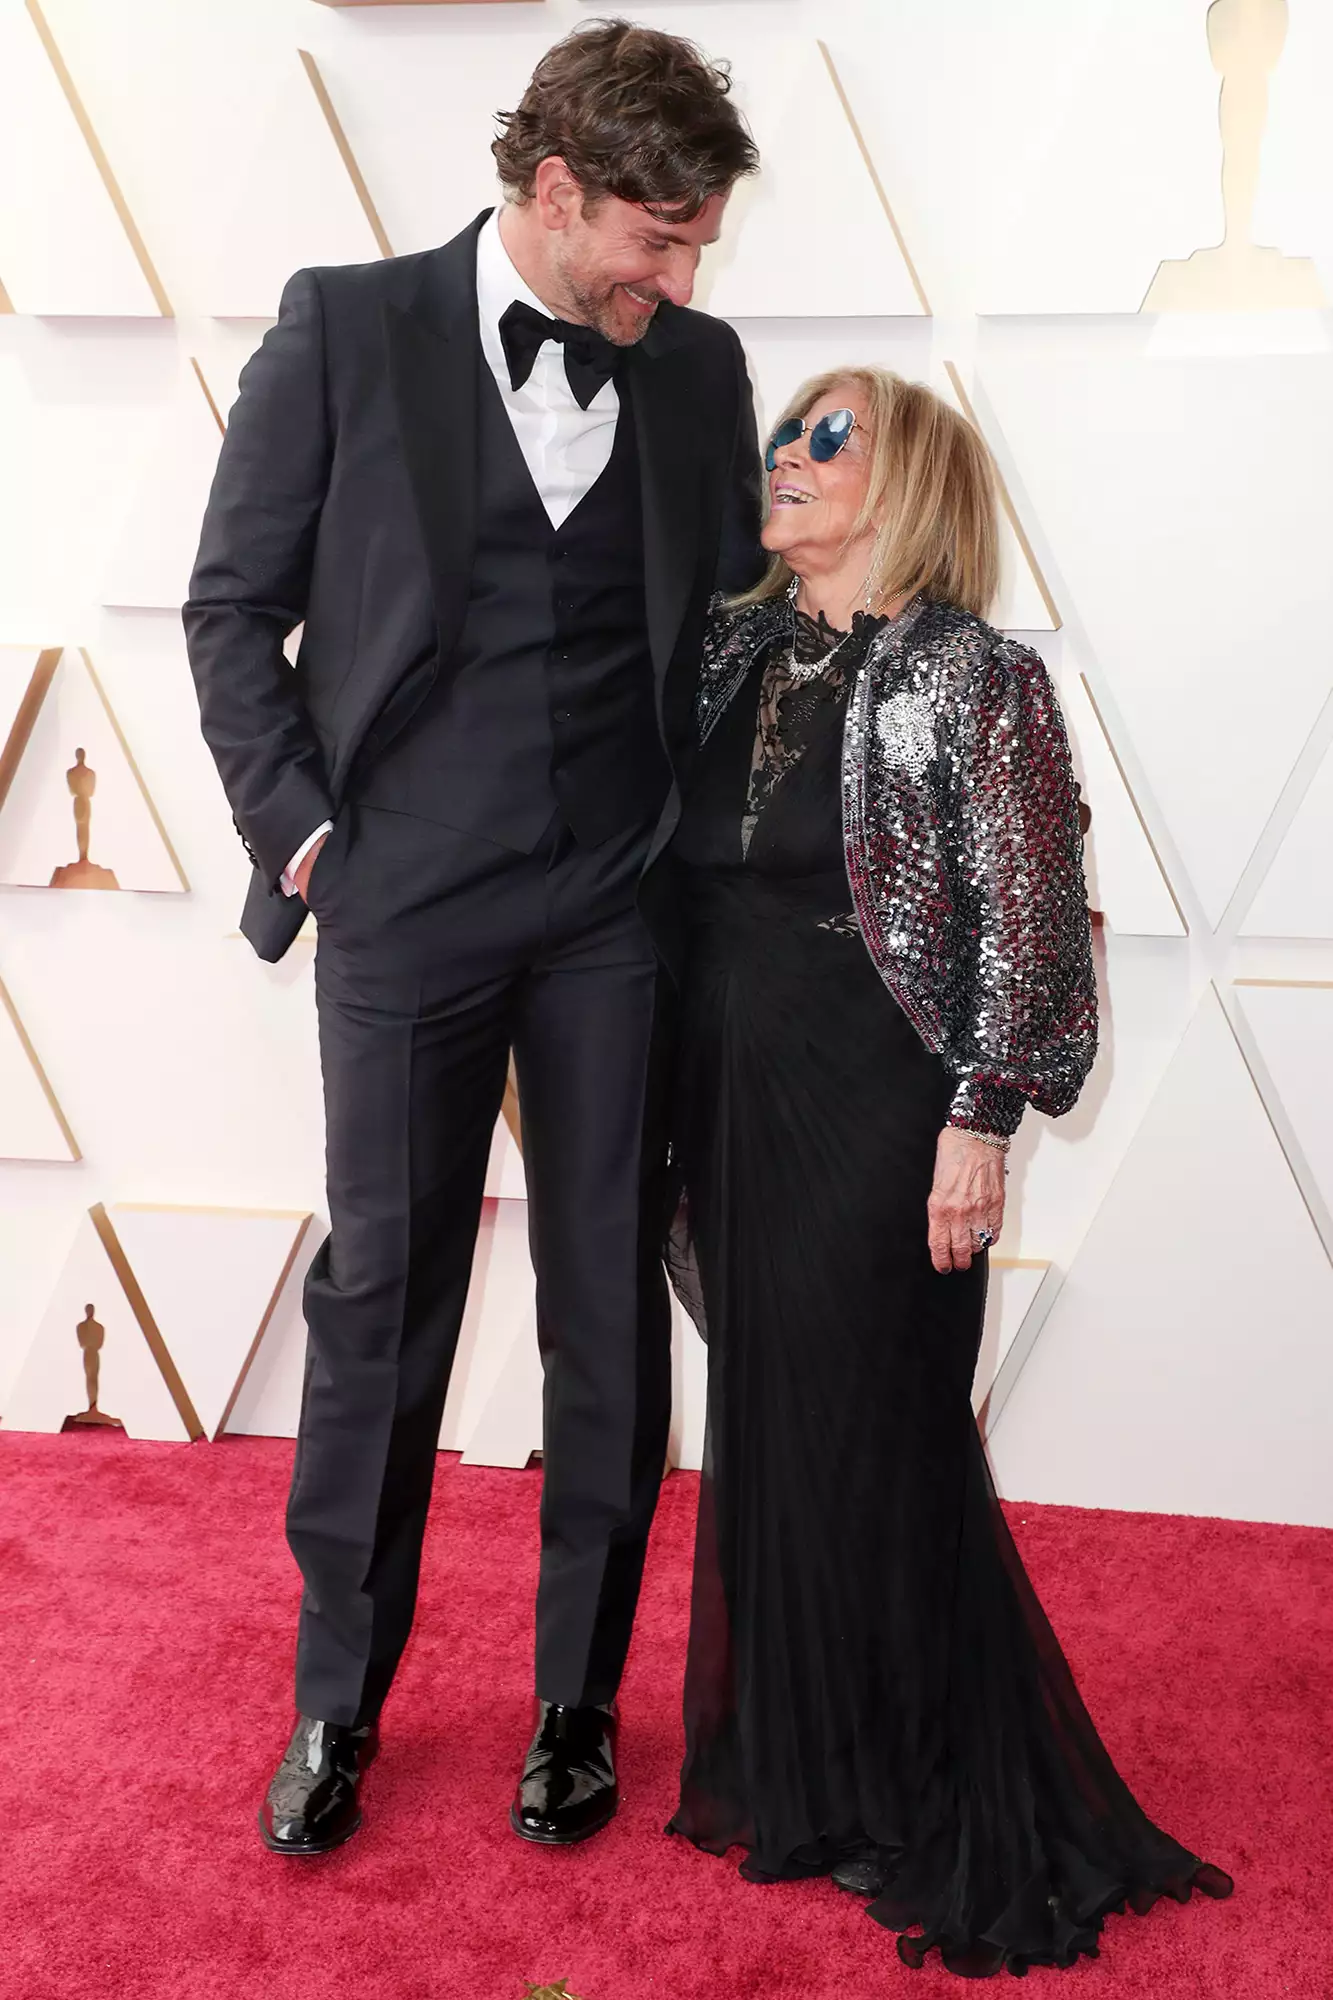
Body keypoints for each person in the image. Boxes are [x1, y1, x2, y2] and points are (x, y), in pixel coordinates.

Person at [183, 19, 762, 1857]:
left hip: (612, 906)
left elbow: (726, 633)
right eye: (655, 241)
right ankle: (336, 1705)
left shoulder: (699, 365)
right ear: (553, 189)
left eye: (696, 249)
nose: (676, 281)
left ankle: (577, 1702)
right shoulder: (346, 328)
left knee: (607, 1301)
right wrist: (311, 836)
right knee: (385, 1302)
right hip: (403, 895)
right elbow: (229, 613)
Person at [665, 368, 1232, 1975]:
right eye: (787, 429)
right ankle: (813, 1772)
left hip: (884, 1106)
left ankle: (928, 1785)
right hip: (730, 1094)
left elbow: (1037, 925)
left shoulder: (975, 679)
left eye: (829, 438)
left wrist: (981, 1119)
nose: (787, 452)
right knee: (772, 1424)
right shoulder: (731, 649)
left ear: (908, 481)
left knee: (882, 1433)